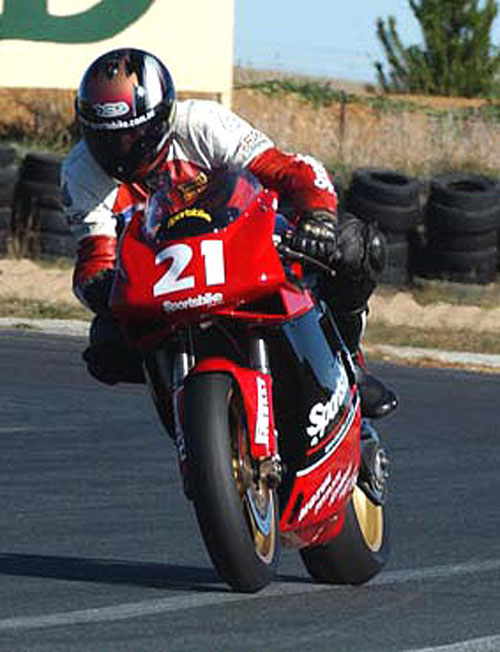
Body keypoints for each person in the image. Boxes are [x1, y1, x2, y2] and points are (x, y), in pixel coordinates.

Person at [61, 47, 397, 419]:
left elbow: (288, 170)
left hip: (241, 241)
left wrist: (317, 216)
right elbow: (95, 257)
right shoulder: (80, 171)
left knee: (355, 245)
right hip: (164, 280)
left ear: (160, 121)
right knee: (105, 343)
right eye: (105, 138)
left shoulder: (203, 124)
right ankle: (182, 397)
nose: (120, 149)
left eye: (134, 135)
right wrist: (106, 287)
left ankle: (348, 363)